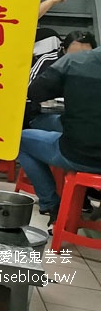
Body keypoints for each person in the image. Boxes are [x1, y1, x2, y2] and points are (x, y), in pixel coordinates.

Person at [18, 44, 101, 227]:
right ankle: (85, 199)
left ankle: (52, 204)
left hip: (77, 155)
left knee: (22, 141)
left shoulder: (73, 62)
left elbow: (35, 92)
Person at [24, 30, 97, 131]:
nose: (80, 61)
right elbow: (27, 93)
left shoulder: (95, 68)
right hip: (43, 115)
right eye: (73, 57)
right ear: (64, 50)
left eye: (85, 57)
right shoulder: (48, 61)